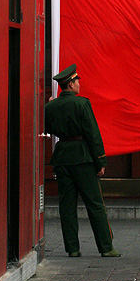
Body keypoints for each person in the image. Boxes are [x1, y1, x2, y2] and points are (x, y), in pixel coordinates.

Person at [44, 64, 120, 257]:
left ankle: (72, 249)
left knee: (67, 206)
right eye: (77, 81)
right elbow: (92, 134)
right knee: (94, 204)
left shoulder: (50, 106)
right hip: (83, 158)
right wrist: (100, 161)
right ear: (70, 84)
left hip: (62, 158)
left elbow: (48, 129)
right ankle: (106, 247)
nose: (79, 84)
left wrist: (52, 106)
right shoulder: (82, 104)